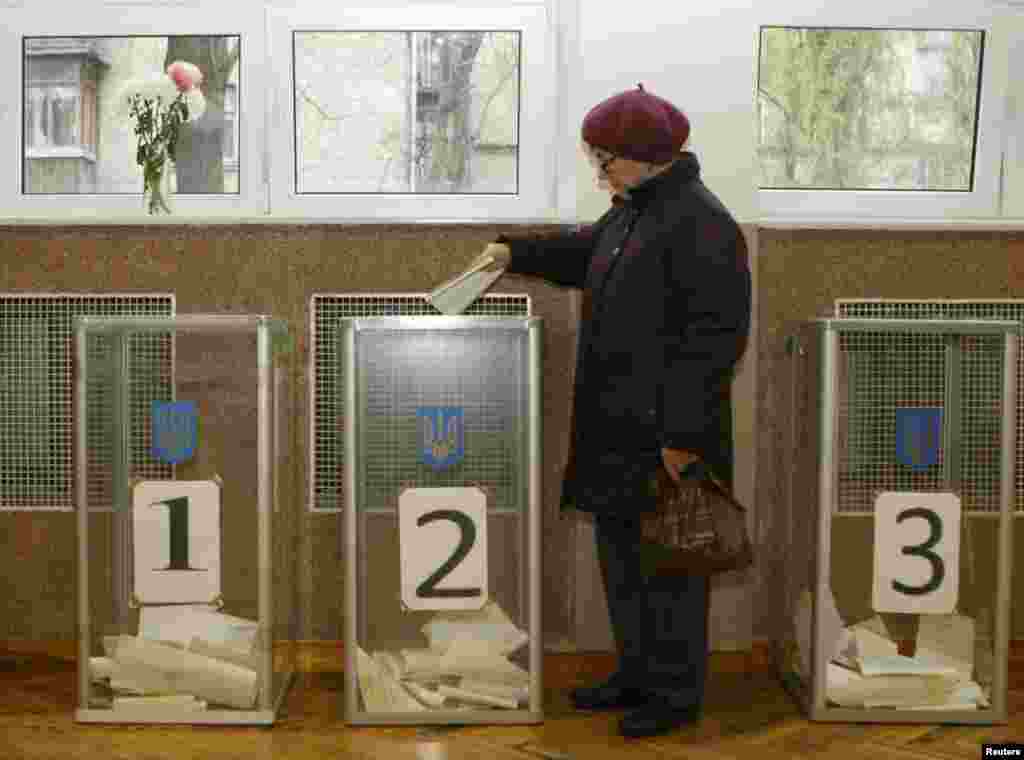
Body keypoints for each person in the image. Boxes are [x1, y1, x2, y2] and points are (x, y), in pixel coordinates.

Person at [469, 83, 752, 738]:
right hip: (616, 430)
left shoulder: (702, 223)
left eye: (606, 160)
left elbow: (714, 341)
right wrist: (515, 250)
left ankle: (674, 695)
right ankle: (635, 673)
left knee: (671, 569)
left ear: (649, 155)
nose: (599, 173)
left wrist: (683, 438)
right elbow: (583, 252)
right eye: (595, 159)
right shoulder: (632, 211)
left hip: (667, 437)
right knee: (623, 562)